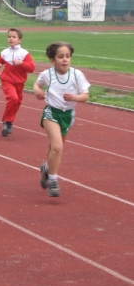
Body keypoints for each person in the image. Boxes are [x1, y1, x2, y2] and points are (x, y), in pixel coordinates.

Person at [33, 41, 90, 197]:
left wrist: (75, 97)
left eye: (68, 56)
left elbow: (85, 96)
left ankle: (46, 168)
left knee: (54, 148)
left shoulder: (77, 75)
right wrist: (38, 90)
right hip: (52, 113)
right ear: (53, 60)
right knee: (57, 146)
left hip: (68, 115)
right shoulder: (47, 74)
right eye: (61, 57)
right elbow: (37, 84)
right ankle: (53, 179)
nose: (65, 60)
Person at [0, 28, 35, 137]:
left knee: (17, 102)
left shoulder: (24, 53)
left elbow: (31, 68)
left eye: (14, 37)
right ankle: (7, 121)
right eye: (9, 37)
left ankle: (8, 121)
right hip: (7, 80)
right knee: (13, 98)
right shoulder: (4, 52)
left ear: (19, 40)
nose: (11, 39)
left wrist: (21, 63)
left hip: (19, 82)